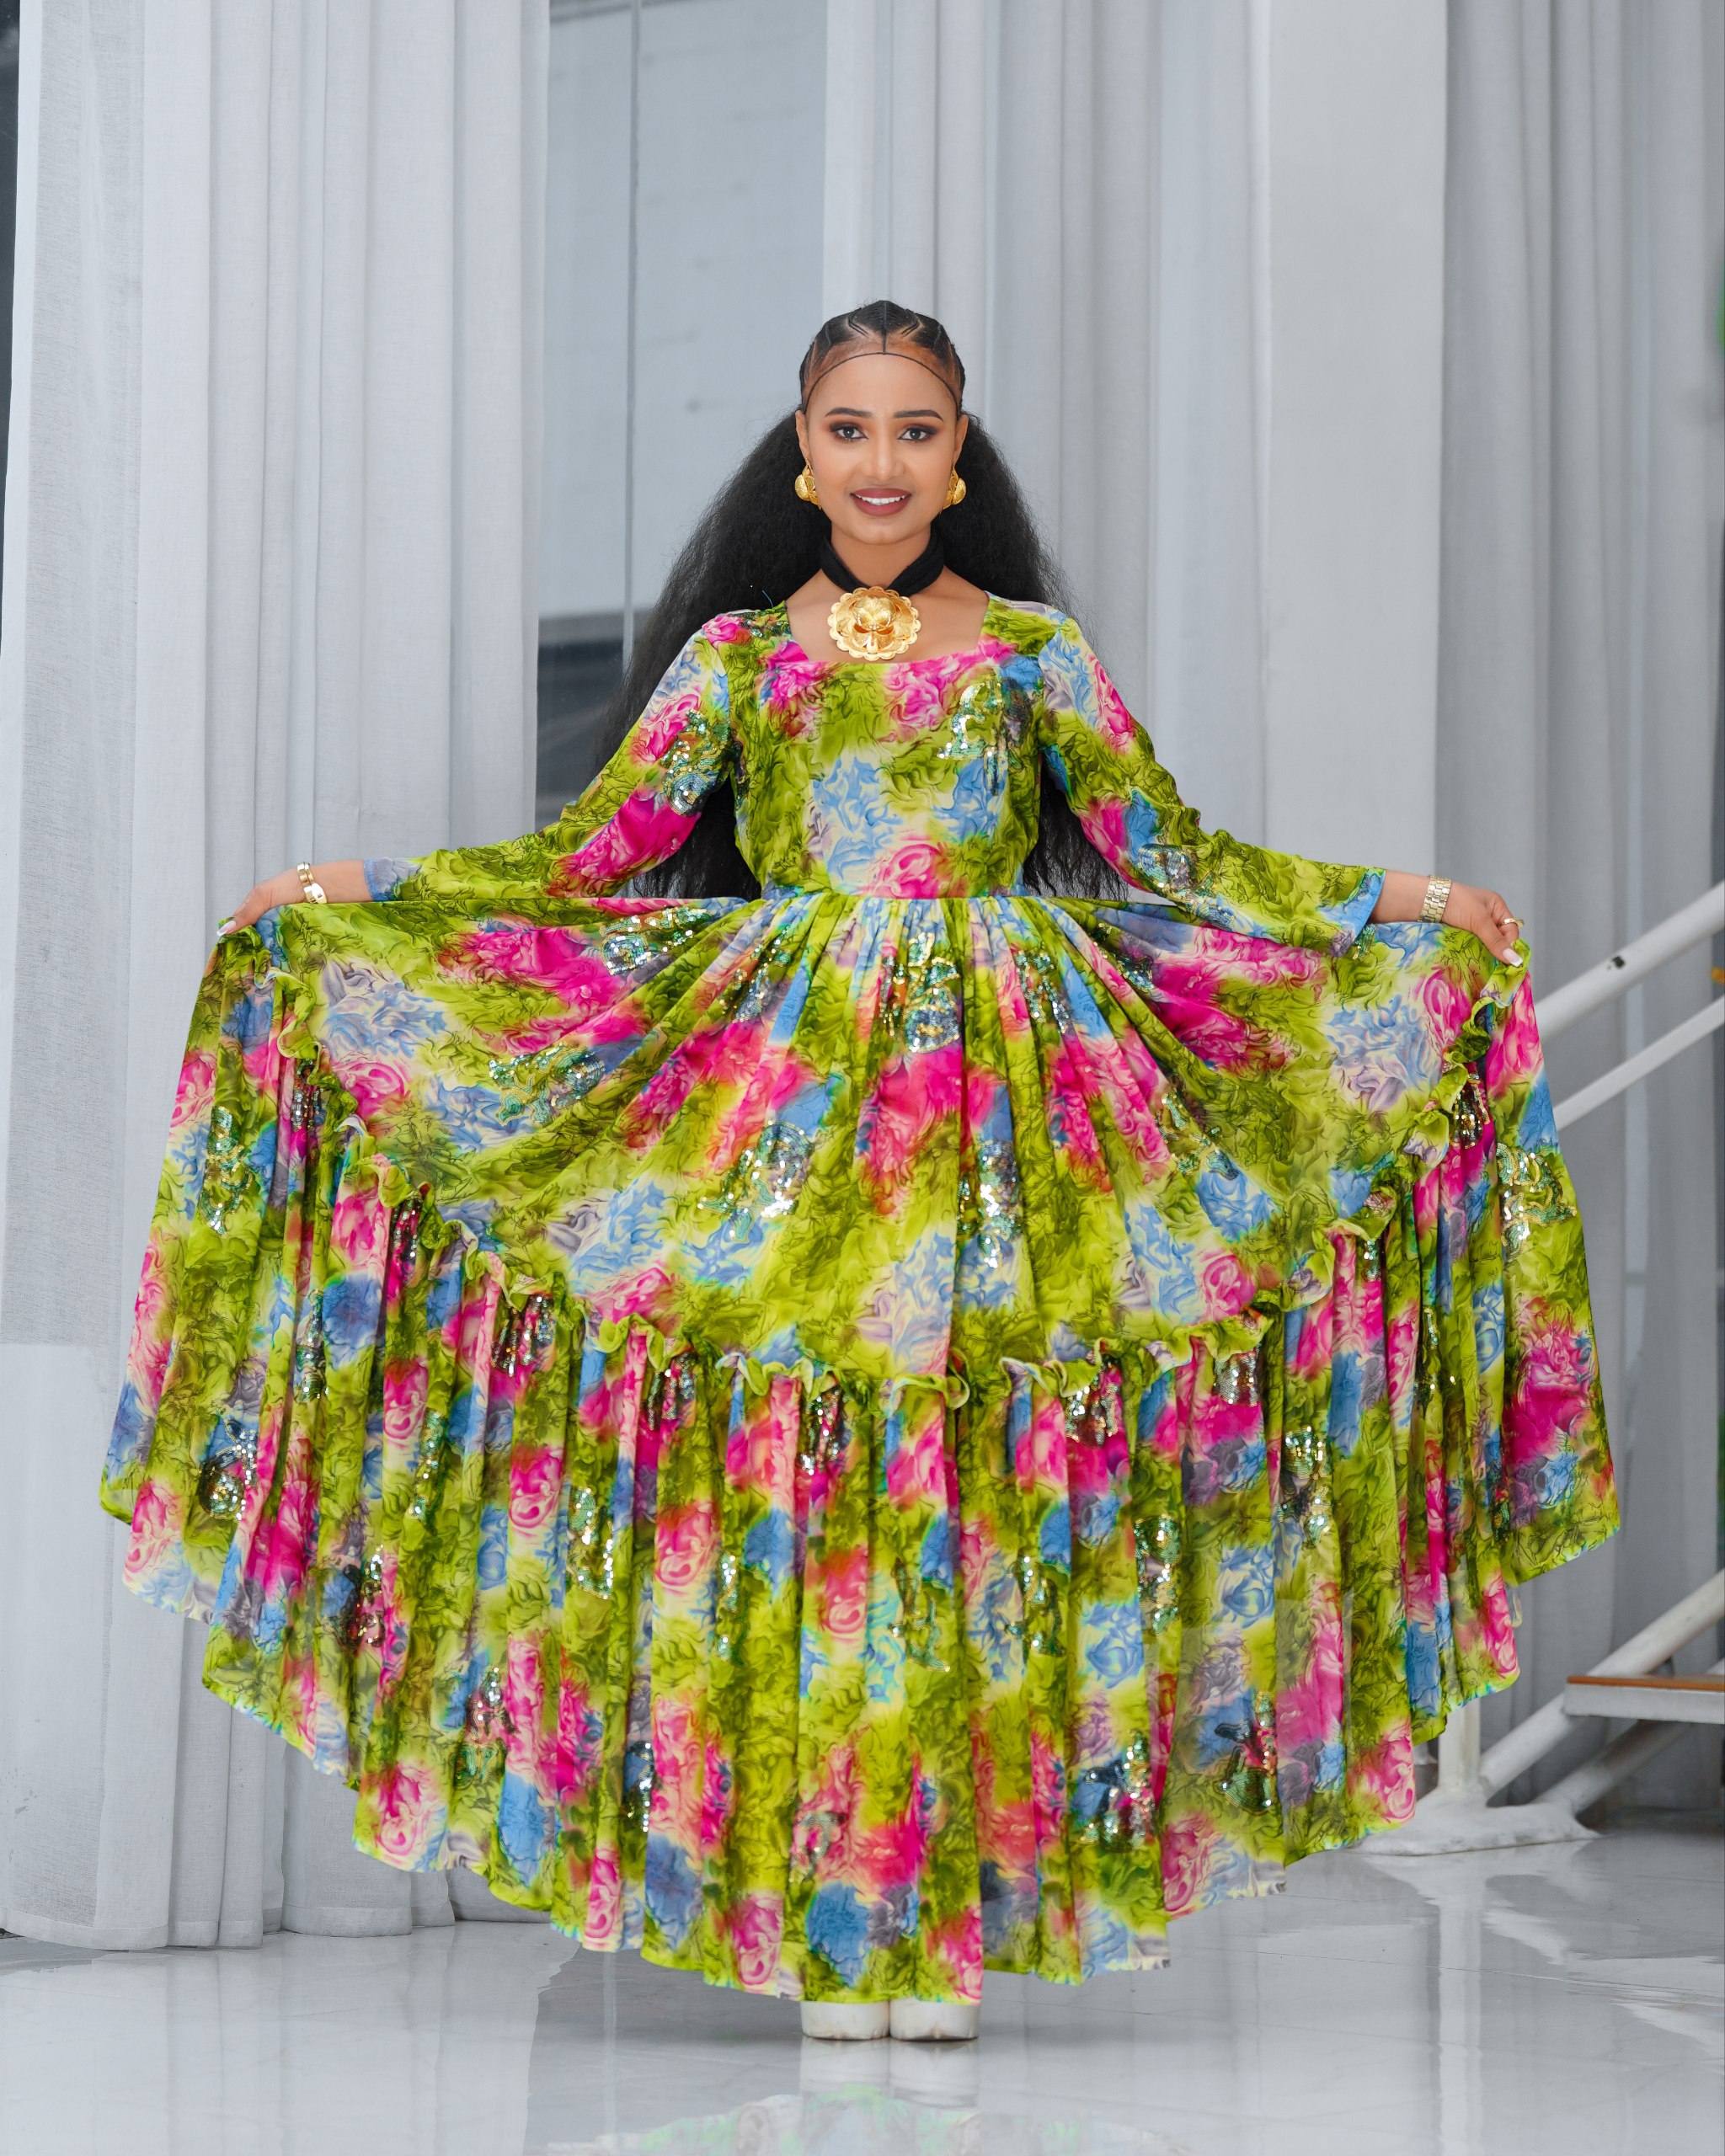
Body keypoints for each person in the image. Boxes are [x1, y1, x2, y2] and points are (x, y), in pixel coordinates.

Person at [102, 301, 1616, 2044]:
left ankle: (941, 1924)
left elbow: (1172, 859)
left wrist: (1403, 906)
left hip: (1017, 1108)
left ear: (957, 457)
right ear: (803, 456)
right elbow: (588, 860)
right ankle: (834, 1919)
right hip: (788, 1103)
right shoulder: (739, 661)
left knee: (973, 1489)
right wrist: (347, 893)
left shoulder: (1035, 656)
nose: (881, 459)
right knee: (811, 1490)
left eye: (914, 428)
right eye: (849, 428)